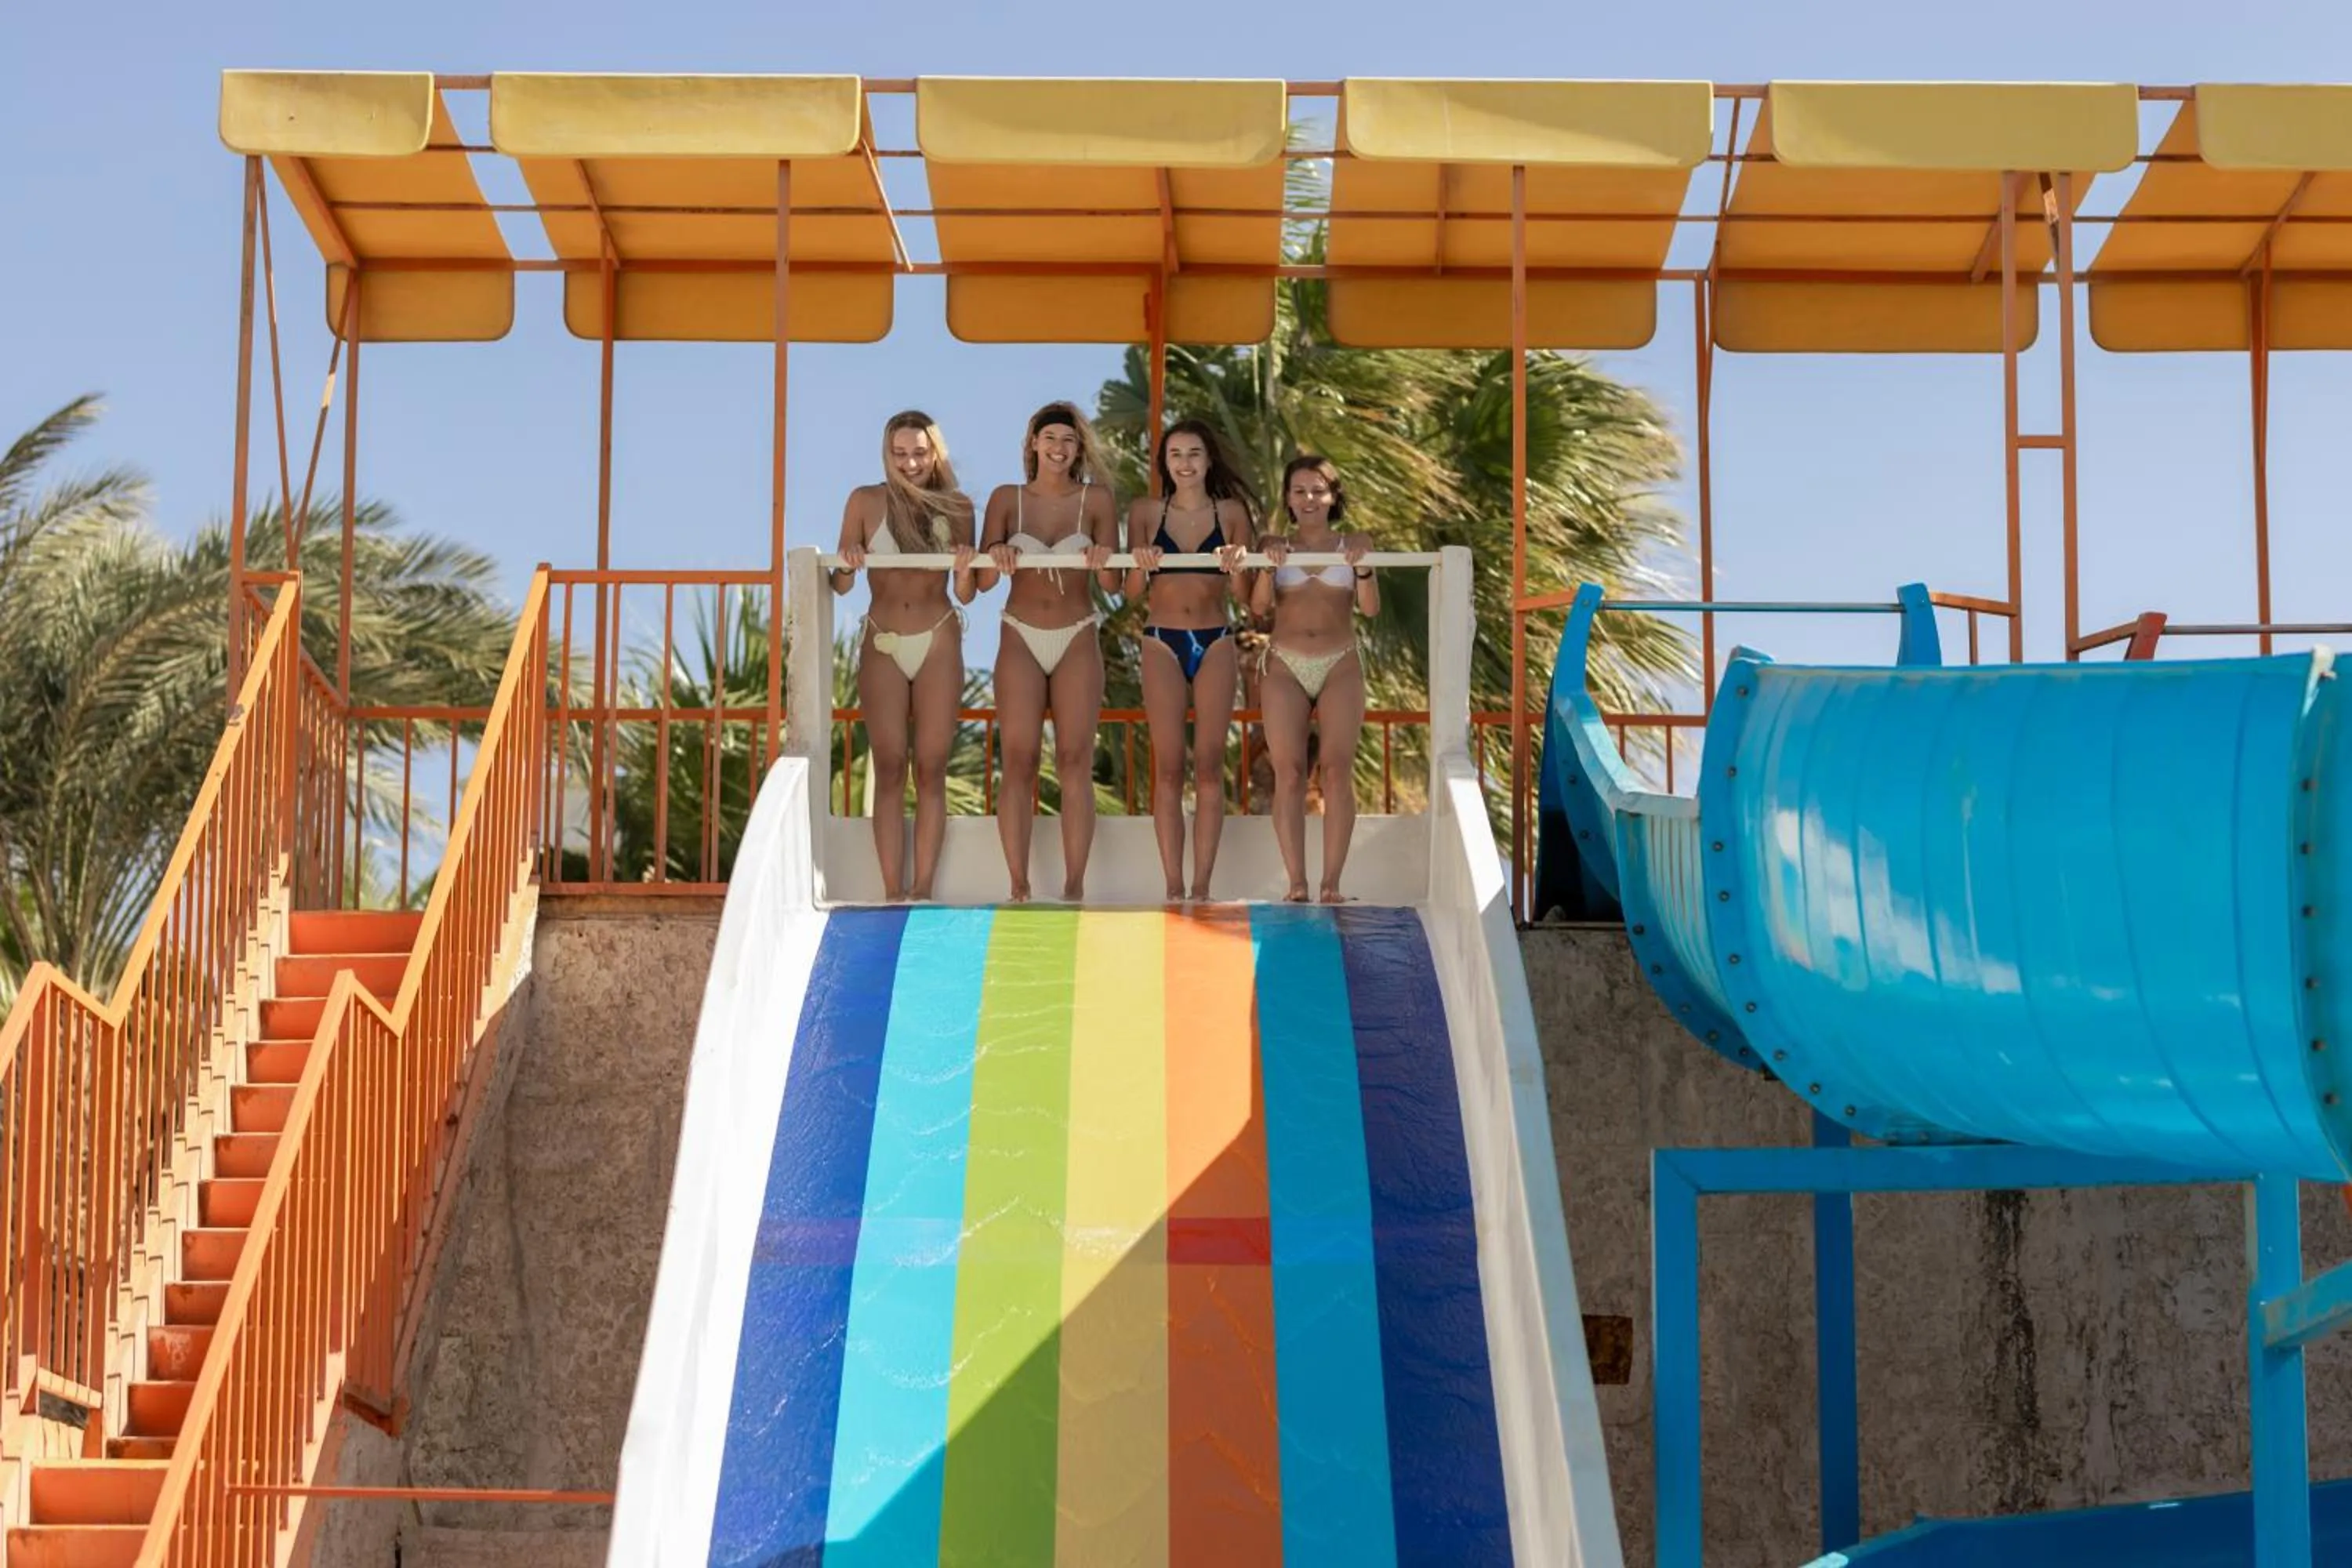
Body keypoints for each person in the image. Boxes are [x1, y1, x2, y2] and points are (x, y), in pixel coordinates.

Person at [830, 410, 979, 902]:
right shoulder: (864, 501)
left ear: (935, 453)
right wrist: (849, 564)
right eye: (900, 453)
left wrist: (961, 570)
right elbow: (840, 582)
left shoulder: (957, 505)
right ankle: (893, 890)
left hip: (938, 638)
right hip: (882, 640)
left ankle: (924, 889)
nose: (910, 463)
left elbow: (968, 591)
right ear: (887, 453)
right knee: (890, 764)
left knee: (932, 767)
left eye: (919, 452)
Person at [974, 401, 1119, 901]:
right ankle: (1019, 884)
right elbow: (983, 582)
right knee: (1018, 759)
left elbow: (1114, 582)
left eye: (1069, 441)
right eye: (1050, 438)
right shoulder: (1005, 499)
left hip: (1078, 633)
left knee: (1076, 760)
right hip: (1020, 634)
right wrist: (996, 554)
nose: (1059, 448)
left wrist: (1102, 559)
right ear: (1033, 443)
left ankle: (1074, 886)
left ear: (1079, 449)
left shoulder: (1096, 501)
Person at [1123, 419, 1256, 902]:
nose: (1185, 463)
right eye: (1175, 454)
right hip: (1162, 640)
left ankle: (1201, 885)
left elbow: (1245, 596)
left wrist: (1238, 563)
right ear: (1164, 461)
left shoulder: (1232, 513)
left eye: (1194, 454)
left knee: (1209, 765)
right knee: (1170, 767)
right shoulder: (1144, 512)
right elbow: (1131, 593)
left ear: (1209, 459)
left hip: (1216, 637)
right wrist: (1139, 563)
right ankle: (1173, 885)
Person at [1244, 454, 1376, 903]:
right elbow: (1259, 608)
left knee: (1337, 771)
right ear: (1287, 497)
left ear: (1333, 496)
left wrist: (1362, 567)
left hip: (1340, 662)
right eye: (1299, 491)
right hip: (1284, 665)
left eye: (1318, 490)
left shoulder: (1355, 541)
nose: (1309, 499)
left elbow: (1370, 608)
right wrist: (1267, 564)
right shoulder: (1273, 542)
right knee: (1290, 772)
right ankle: (1297, 883)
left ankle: (1331, 884)